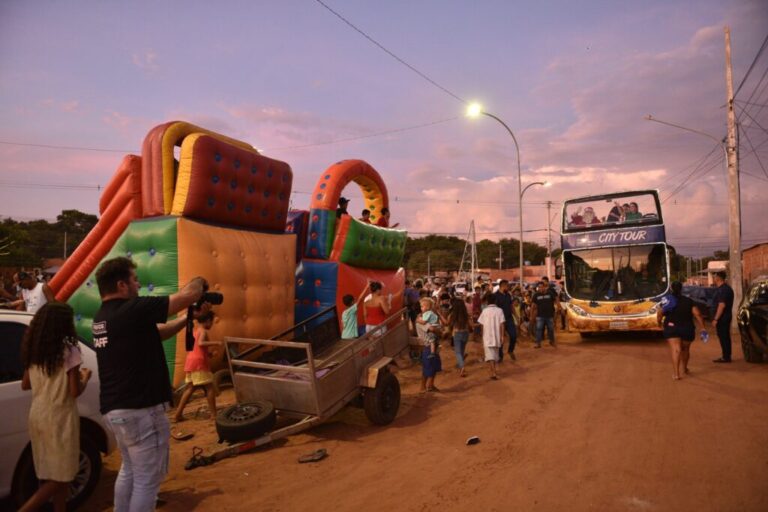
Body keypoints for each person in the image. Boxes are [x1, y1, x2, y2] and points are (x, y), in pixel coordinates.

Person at [92, 256, 208, 512]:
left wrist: (187, 320)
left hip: (117, 409)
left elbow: (159, 332)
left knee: (130, 471)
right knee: (147, 481)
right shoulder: (132, 309)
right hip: (140, 409)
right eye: (135, 279)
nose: (138, 284)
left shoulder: (103, 318)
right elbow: (186, 295)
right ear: (122, 285)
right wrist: (200, 283)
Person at [19, 303, 92, 512]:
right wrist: (84, 378)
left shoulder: (34, 351)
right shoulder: (70, 350)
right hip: (60, 418)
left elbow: (26, 384)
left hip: (38, 415)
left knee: (53, 474)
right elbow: (75, 392)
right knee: (62, 477)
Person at [173, 311, 220, 423]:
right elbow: (201, 343)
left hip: (191, 362)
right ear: (208, 320)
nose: (212, 324)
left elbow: (198, 349)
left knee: (190, 388)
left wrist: (210, 354)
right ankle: (214, 415)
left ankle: (178, 414)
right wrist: (216, 342)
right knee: (210, 388)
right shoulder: (203, 331)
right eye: (212, 322)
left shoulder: (194, 332)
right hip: (199, 364)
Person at [657, 281, 706, 380]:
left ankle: (676, 374)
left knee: (676, 350)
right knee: (685, 350)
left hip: (672, 327)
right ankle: (685, 368)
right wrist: (703, 328)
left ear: (671, 289)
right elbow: (697, 314)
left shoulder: (667, 300)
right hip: (687, 328)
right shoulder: (689, 301)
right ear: (681, 289)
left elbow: (660, 313)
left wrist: (659, 324)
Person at [416, 297, 442, 392]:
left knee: (433, 367)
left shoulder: (428, 318)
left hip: (432, 345)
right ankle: (423, 387)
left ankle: (430, 385)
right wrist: (439, 330)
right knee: (428, 368)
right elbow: (432, 329)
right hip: (427, 346)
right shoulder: (421, 319)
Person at [477, 293, 505, 380]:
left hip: (487, 336)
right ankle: (494, 371)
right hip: (497, 336)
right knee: (495, 355)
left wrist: (482, 334)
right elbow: (502, 324)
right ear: (495, 301)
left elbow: (481, 324)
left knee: (490, 356)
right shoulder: (500, 310)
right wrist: (502, 336)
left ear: (487, 302)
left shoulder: (484, 311)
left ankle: (493, 372)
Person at [711, 271, 735, 363]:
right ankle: (726, 355)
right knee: (724, 336)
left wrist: (716, 319)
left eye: (715, 276)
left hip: (723, 318)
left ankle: (726, 357)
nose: (714, 278)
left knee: (724, 337)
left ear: (718, 278)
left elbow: (722, 305)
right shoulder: (722, 289)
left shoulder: (723, 290)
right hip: (724, 317)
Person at [448, 297, 472, 377]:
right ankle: (460, 364)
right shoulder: (466, 315)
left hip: (457, 333)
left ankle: (462, 367)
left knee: (458, 352)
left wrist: (439, 314)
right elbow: (470, 325)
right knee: (461, 351)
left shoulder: (453, 315)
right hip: (465, 333)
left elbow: (448, 323)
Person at [493, 280, 517, 361]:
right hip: (500, 321)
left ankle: (510, 351)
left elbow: (511, 306)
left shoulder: (508, 295)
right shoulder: (495, 296)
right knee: (500, 339)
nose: (508, 287)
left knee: (514, 335)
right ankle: (500, 356)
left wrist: (516, 316)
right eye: (507, 286)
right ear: (503, 286)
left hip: (509, 319)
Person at [531, 280, 560, 348]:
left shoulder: (550, 293)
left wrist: (558, 307)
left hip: (549, 315)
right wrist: (531, 316)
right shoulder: (536, 295)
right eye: (539, 287)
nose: (540, 288)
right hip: (540, 316)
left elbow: (556, 299)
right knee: (539, 329)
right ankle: (538, 343)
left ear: (544, 287)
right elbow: (533, 306)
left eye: (542, 287)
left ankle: (551, 341)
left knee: (551, 329)